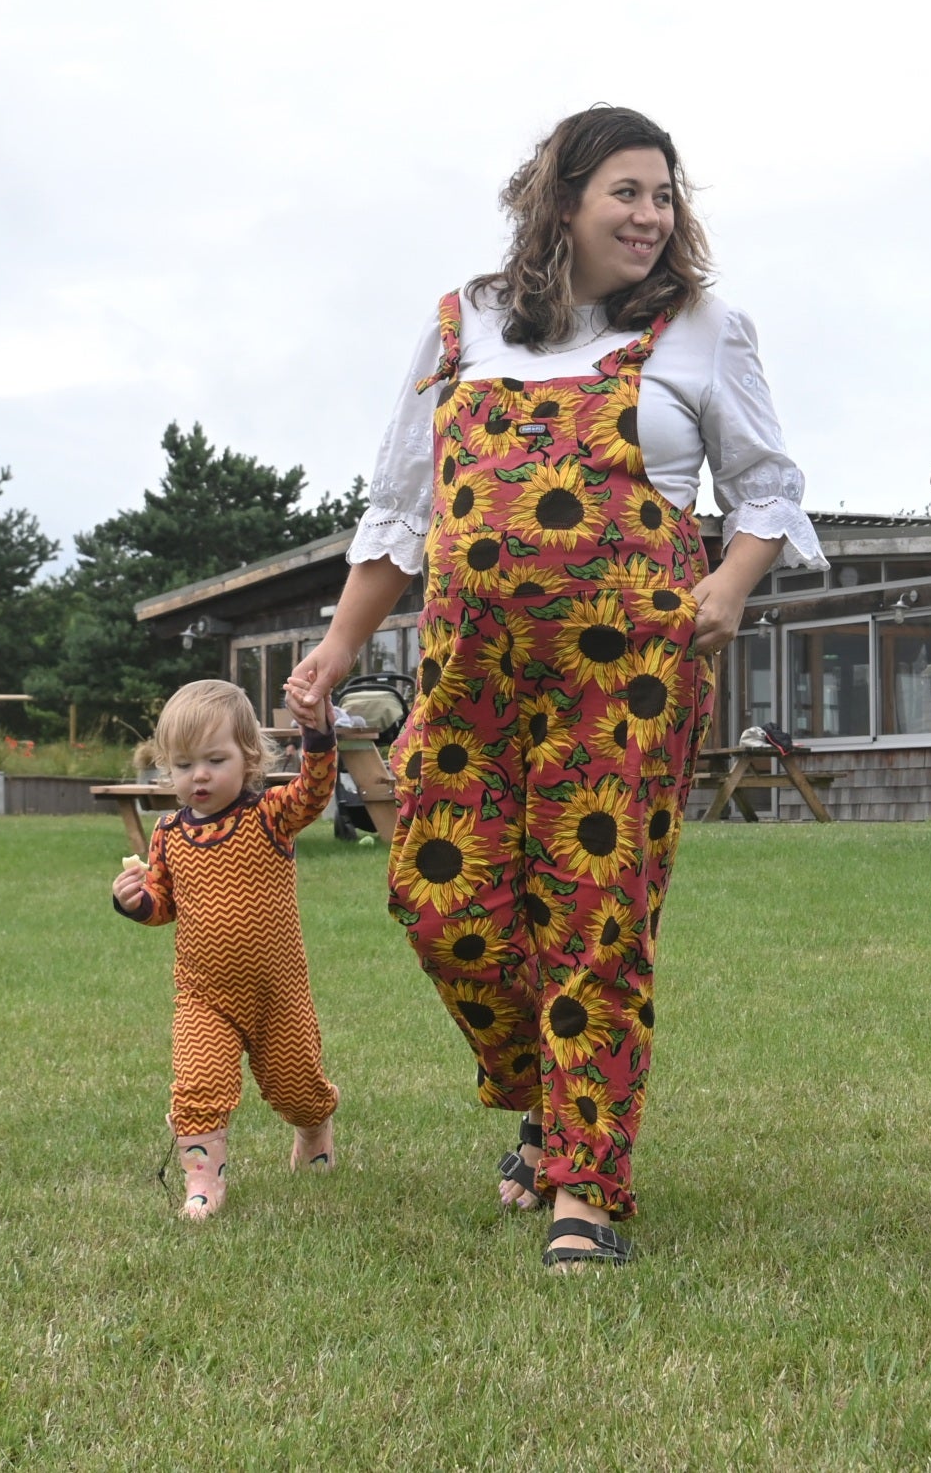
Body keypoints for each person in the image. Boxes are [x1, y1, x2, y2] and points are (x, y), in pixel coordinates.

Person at [284, 105, 823, 1271]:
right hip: (468, 674)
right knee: (441, 905)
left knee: (594, 917)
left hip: (628, 679)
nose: (651, 215)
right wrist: (336, 651)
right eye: (627, 191)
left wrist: (728, 587)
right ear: (563, 200)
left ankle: (586, 1181)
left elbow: (768, 490)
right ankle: (544, 1092)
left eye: (665, 195)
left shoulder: (702, 329)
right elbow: (400, 511)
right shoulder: (463, 323)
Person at [108, 679, 341, 1220]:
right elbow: (164, 904)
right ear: (168, 769)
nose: (201, 775)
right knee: (197, 1085)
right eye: (184, 765)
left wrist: (319, 735)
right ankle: (202, 1182)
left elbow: (315, 790)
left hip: (277, 993)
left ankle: (315, 1131)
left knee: (297, 1090)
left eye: (216, 759)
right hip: (204, 995)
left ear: (250, 758)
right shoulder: (167, 833)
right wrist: (135, 901)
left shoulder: (271, 816)